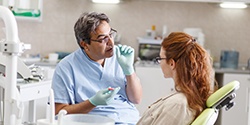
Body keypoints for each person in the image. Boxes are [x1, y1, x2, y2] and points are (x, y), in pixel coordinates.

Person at [52, 11, 142, 125]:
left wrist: (129, 70)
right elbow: (59, 112)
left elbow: (136, 99)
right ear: (85, 44)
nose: (111, 42)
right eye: (102, 38)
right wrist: (92, 102)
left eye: (110, 34)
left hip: (129, 120)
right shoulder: (66, 67)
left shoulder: (119, 58)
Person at [136, 32, 215, 125]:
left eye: (160, 58)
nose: (160, 63)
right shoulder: (190, 96)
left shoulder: (177, 105)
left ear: (172, 63)